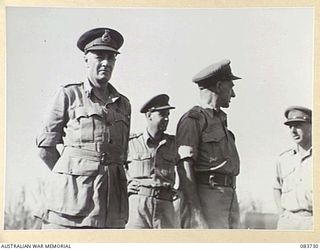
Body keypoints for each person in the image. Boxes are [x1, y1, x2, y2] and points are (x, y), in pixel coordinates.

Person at [36, 27, 131, 229]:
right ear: (86, 59)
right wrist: (71, 178)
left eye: (111, 57)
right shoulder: (68, 95)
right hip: (71, 208)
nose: (106, 63)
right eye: (99, 56)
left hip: (112, 210)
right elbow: (45, 149)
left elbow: (121, 155)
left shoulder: (123, 104)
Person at [176, 59, 241, 229]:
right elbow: (184, 169)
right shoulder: (193, 120)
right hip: (207, 200)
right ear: (219, 86)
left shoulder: (219, 120)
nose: (233, 94)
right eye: (231, 87)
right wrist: (197, 214)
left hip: (229, 198)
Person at [125, 94, 179, 228]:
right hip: (138, 206)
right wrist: (125, 186)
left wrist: (181, 190)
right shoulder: (131, 143)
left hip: (165, 205)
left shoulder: (174, 144)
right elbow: (118, 168)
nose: (166, 118)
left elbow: (187, 167)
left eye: (168, 114)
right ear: (149, 116)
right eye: (162, 114)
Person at [273, 106, 312, 230]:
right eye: (290, 126)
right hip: (288, 222)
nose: (293, 130)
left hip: (312, 221)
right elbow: (277, 188)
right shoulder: (283, 159)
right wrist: (281, 213)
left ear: (312, 126)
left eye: (298, 125)